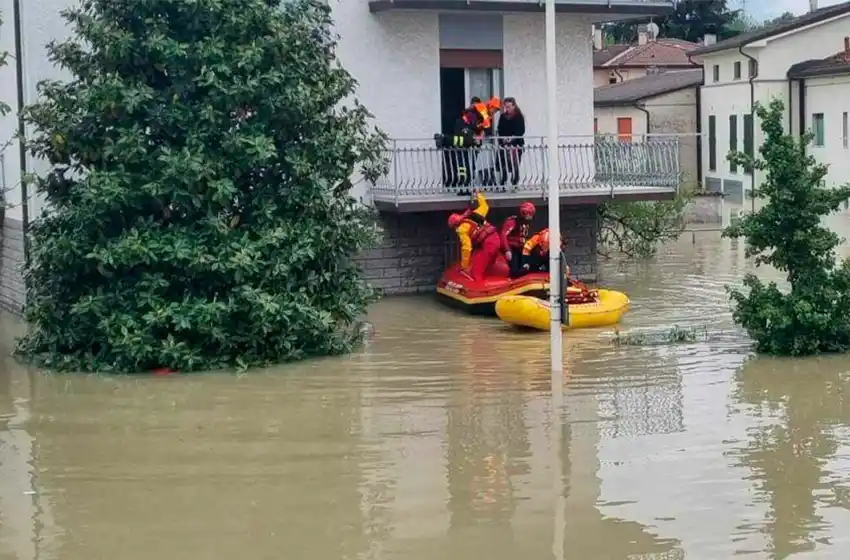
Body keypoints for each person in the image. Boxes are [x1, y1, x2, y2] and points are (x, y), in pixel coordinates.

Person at [447, 192, 502, 280]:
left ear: (454, 225)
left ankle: (479, 285)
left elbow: (467, 247)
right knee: (485, 262)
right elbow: (485, 206)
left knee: (476, 271)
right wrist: (478, 194)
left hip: (488, 244)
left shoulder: (461, 229)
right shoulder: (474, 214)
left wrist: (464, 266)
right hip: (496, 238)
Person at [500, 201, 536, 277]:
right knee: (514, 269)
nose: (531, 217)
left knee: (526, 266)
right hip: (512, 248)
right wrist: (507, 250)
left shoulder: (526, 222)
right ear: (524, 213)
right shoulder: (512, 221)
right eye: (530, 214)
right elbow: (503, 235)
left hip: (521, 248)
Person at [496, 97, 526, 187]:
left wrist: (513, 138)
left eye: (508, 107)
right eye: (505, 107)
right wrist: (503, 138)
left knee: (515, 164)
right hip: (504, 144)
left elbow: (521, 130)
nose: (507, 109)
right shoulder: (503, 117)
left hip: (516, 145)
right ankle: (503, 182)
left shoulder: (518, 117)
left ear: (513, 106)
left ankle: (514, 183)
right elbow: (499, 129)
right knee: (503, 163)